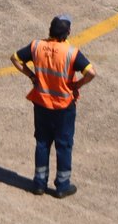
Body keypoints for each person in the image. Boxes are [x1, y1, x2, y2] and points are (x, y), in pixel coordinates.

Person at [10, 15, 96, 198]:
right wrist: (77, 85)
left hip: (41, 103)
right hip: (64, 106)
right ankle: (62, 185)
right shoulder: (71, 53)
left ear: (50, 29)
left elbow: (15, 58)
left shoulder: (36, 46)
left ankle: (39, 183)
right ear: (68, 33)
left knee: (42, 143)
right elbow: (91, 72)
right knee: (63, 145)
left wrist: (32, 76)